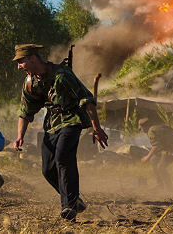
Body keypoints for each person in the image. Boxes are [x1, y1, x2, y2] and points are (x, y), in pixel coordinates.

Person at [11, 43, 109, 221]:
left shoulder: (62, 75)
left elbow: (87, 99)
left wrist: (97, 128)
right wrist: (20, 136)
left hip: (72, 120)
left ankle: (69, 206)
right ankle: (74, 199)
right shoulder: (30, 83)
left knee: (63, 158)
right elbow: (25, 112)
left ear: (33, 59)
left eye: (21, 62)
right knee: (47, 169)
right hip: (51, 125)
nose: (18, 66)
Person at [138, 117, 173, 193]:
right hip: (170, 147)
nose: (142, 131)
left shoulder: (151, 131)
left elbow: (156, 146)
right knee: (154, 160)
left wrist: (147, 157)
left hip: (172, 149)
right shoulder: (156, 127)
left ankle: (169, 189)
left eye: (141, 128)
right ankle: (160, 185)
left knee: (161, 167)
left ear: (145, 126)